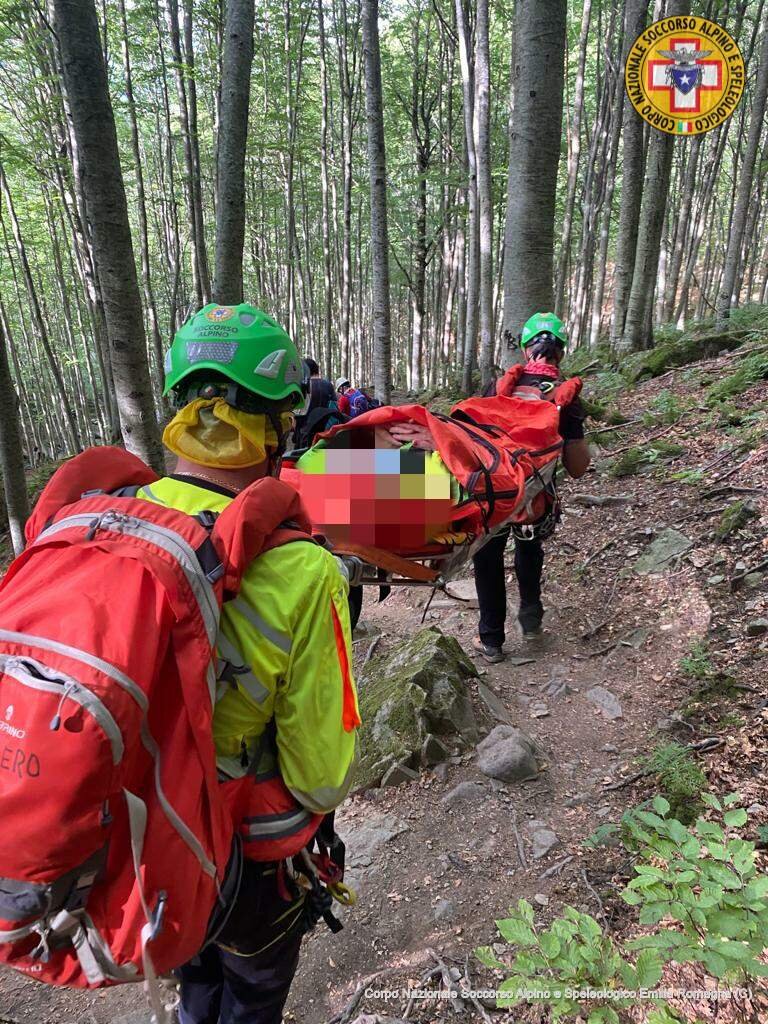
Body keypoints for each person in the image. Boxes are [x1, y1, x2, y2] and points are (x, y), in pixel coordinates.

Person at [145, 303, 360, 1024]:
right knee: (252, 994)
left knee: (194, 979)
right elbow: (320, 771)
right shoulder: (304, 569)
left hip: (149, 842)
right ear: (279, 424)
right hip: (252, 861)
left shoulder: (114, 524)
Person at [472, 312, 591, 664]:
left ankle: (491, 638)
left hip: (493, 491)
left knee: (488, 556)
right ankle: (531, 617)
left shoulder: (496, 388)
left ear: (526, 350)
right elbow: (578, 466)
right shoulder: (566, 397)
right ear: (561, 353)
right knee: (529, 547)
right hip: (534, 496)